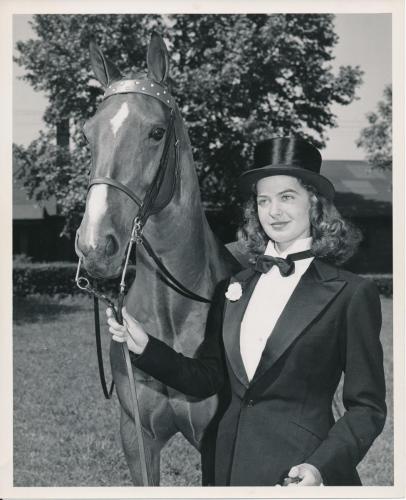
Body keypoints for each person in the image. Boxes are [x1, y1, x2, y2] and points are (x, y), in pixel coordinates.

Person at [106, 137, 386, 486]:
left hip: (301, 474)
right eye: (263, 200)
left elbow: (367, 409)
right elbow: (207, 377)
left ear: (314, 204)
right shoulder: (234, 288)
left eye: (287, 197)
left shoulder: (351, 294)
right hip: (225, 471)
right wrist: (145, 346)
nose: (274, 211)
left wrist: (319, 468)